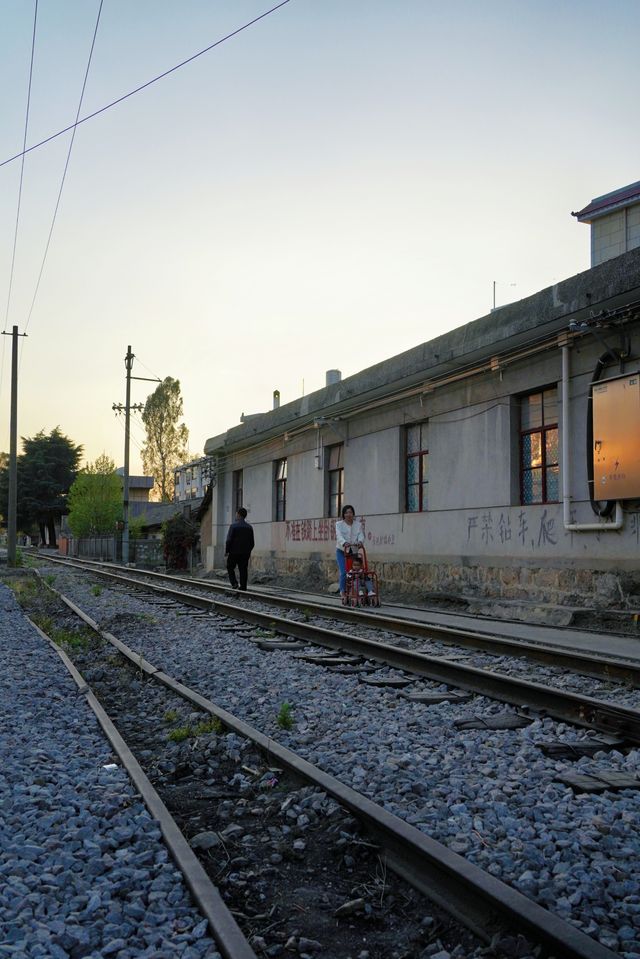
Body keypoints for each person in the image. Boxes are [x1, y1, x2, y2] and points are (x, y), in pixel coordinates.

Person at [335, 504, 365, 599]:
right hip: (342, 551)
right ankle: (342, 591)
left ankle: (355, 589)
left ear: (353, 514)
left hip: (354, 551)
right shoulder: (339, 524)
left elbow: (361, 535)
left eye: (350, 512)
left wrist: (360, 541)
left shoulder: (358, 525)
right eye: (346, 512)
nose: (349, 514)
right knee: (344, 572)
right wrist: (344, 543)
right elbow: (339, 536)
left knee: (355, 572)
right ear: (343, 514)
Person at [225, 507, 255, 591]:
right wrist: (248, 550)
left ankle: (234, 583)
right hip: (245, 553)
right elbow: (252, 542)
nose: (236, 515)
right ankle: (243, 587)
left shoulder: (233, 526)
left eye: (236, 513)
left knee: (230, 566)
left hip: (234, 552)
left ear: (239, 514)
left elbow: (228, 540)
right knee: (243, 569)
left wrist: (227, 551)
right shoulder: (249, 527)